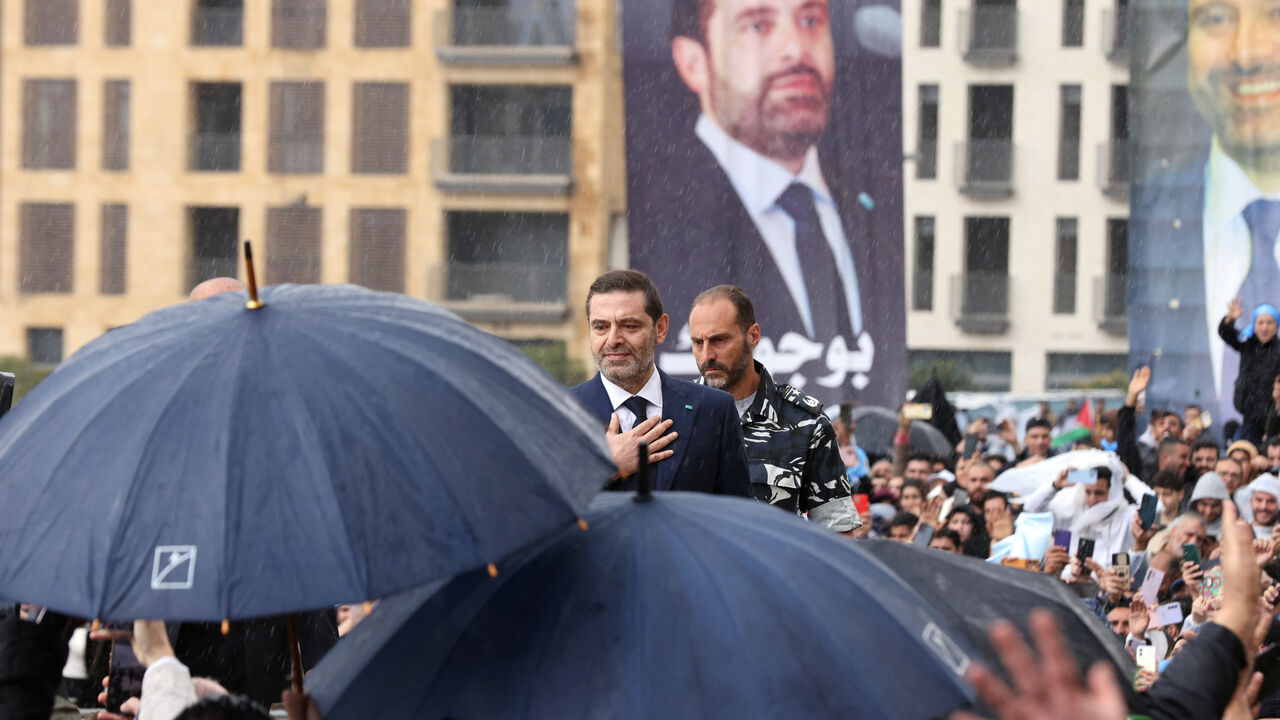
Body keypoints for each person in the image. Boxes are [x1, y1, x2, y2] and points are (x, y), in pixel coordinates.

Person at [634, 0, 904, 401]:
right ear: (694, 62)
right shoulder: (650, 206)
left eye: (811, 20)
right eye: (758, 25)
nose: (796, 49)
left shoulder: (882, 202)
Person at [569, 271, 752, 496]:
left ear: (661, 328)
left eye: (629, 326)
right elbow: (536, 515)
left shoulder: (713, 409)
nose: (613, 339)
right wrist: (602, 468)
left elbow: (738, 515)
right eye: (601, 327)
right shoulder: (558, 413)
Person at [687, 285, 855, 529]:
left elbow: (838, 532)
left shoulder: (806, 423)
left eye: (719, 340)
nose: (707, 354)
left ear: (753, 336)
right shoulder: (675, 414)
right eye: (697, 342)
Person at [1021, 466, 1135, 571]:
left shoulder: (1125, 516)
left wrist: (1129, 480)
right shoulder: (1071, 512)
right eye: (1088, 492)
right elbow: (1030, 510)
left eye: (1099, 493)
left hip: (1111, 588)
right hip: (1068, 586)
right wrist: (1055, 486)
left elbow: (1152, 510)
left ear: (1113, 492)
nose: (1092, 500)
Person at [1219, 300, 1280, 444]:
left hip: (1274, 416)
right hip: (1249, 415)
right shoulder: (1247, 343)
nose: (1265, 327)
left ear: (1276, 326)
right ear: (1254, 325)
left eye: (1269, 322)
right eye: (1260, 322)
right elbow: (1226, 333)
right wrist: (1229, 320)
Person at [1189, 471, 1230, 538]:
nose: (1208, 511)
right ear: (1195, 503)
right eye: (1204, 504)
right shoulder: (1181, 526)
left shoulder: (1234, 531)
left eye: (1215, 506)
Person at [1249, 474, 1280, 538]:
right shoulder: (1237, 532)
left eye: (1271, 501)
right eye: (1259, 500)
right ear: (1251, 501)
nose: (1264, 507)